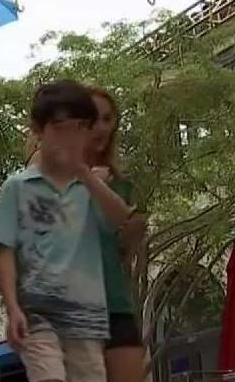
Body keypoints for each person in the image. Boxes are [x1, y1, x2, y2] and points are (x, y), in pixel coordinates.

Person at [0, 80, 134, 382]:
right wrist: (13, 307)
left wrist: (84, 173)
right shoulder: (18, 187)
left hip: (85, 318)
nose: (68, 138)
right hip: (37, 312)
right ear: (39, 131)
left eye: (78, 128)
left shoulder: (90, 187)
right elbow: (4, 249)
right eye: (58, 128)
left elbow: (121, 217)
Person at [85, 87, 148, 382]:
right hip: (70, 309)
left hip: (115, 303)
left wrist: (133, 232)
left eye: (108, 119)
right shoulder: (50, 176)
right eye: (92, 119)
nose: (101, 127)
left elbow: (124, 251)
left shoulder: (123, 186)